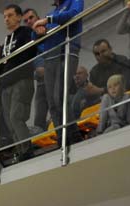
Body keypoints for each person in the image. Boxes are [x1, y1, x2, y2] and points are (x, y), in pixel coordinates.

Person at [33, 0, 84, 143]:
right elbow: (37, 40)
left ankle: (74, 136)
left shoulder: (74, 1)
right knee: (52, 103)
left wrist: (47, 20)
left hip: (66, 52)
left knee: (59, 97)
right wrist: (37, 33)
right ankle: (62, 138)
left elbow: (74, 14)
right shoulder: (52, 13)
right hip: (50, 58)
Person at [0, 4, 36, 161]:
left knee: (16, 116)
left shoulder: (26, 32)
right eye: (4, 16)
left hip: (22, 79)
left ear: (19, 17)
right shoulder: (6, 40)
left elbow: (30, 53)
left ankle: (27, 149)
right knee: (9, 122)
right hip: (6, 84)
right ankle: (20, 151)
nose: (6, 19)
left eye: (10, 15)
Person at [23, 8, 49, 132]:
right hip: (40, 83)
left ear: (38, 18)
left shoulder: (49, 29)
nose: (29, 21)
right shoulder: (27, 40)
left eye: (31, 17)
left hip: (55, 76)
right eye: (25, 20)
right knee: (39, 118)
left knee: (57, 108)